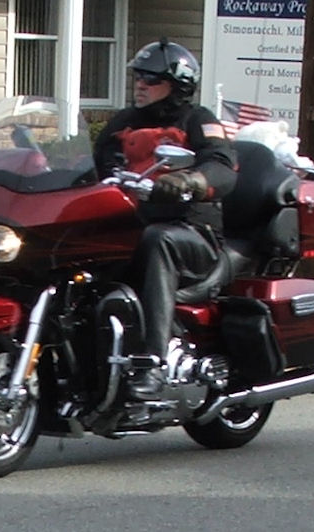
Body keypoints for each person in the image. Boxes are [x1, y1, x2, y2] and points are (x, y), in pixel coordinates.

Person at [93, 38, 237, 392]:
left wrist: (191, 179)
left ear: (176, 86)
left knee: (158, 241)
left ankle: (152, 363)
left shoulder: (198, 120)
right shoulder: (122, 122)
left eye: (151, 79)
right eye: (138, 77)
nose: (140, 84)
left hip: (191, 233)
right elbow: (90, 166)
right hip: (130, 224)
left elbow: (223, 167)